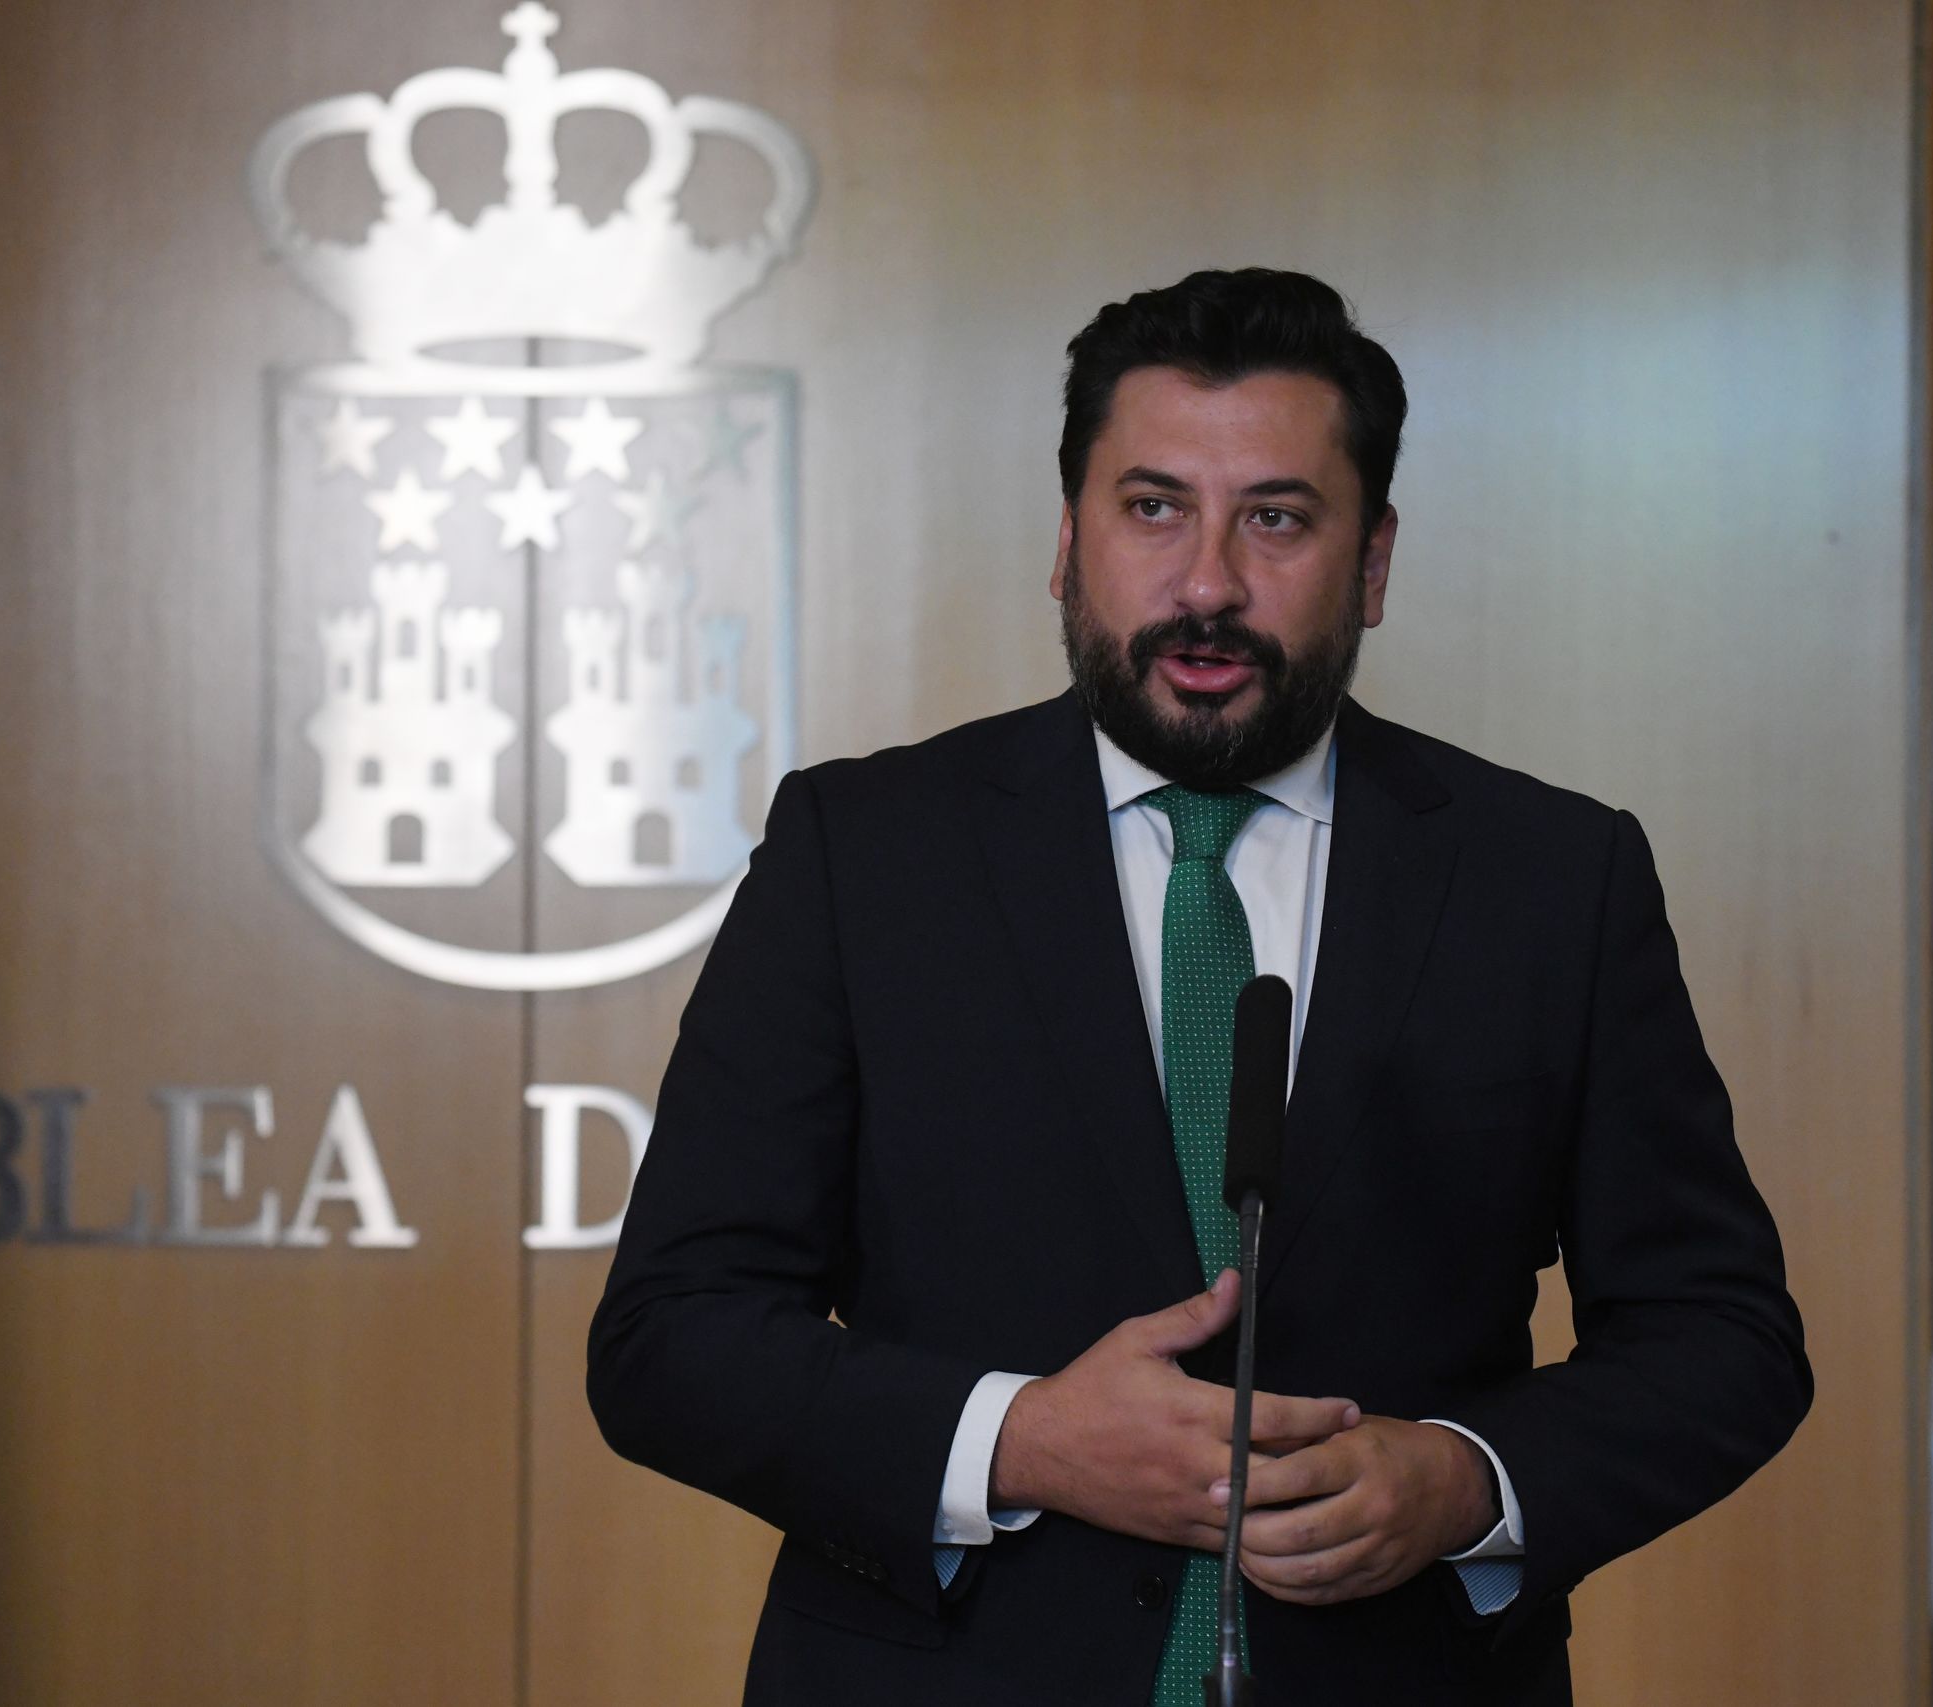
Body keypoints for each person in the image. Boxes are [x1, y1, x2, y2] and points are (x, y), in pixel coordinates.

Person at [588, 267, 1812, 1706]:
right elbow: (673, 1334)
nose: (1210, 584)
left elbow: (1720, 1336)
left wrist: (1466, 1482)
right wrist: (1023, 1442)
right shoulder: (861, 855)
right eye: (1153, 508)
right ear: (1068, 542)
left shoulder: (1551, 878)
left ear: (1373, 562)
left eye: (1277, 519)